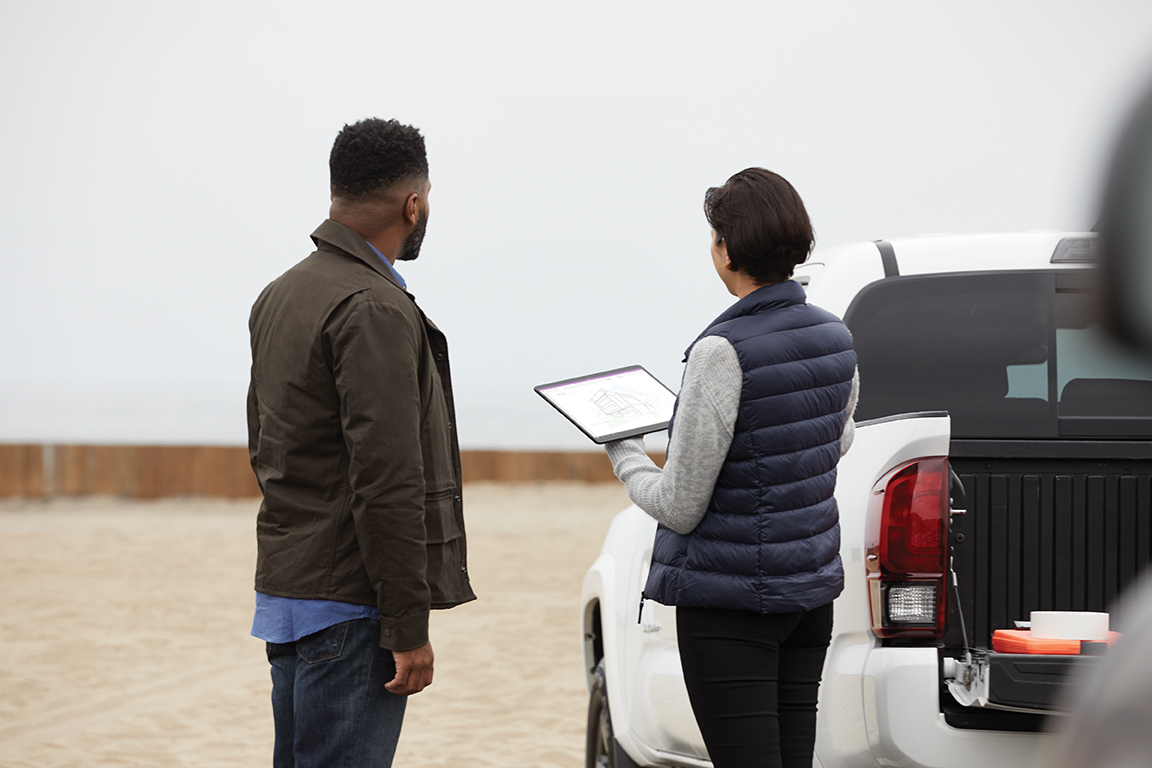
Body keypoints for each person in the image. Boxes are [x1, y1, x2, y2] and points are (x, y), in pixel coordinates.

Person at [604, 168, 858, 768]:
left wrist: (624, 451)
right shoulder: (836, 336)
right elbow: (836, 436)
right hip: (807, 598)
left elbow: (679, 503)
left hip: (731, 606)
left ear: (725, 246)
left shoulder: (721, 351)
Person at [246, 118, 476, 768]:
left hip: (290, 596)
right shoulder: (371, 307)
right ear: (413, 203)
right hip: (351, 608)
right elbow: (387, 479)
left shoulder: (279, 295)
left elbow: (265, 444)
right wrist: (406, 626)